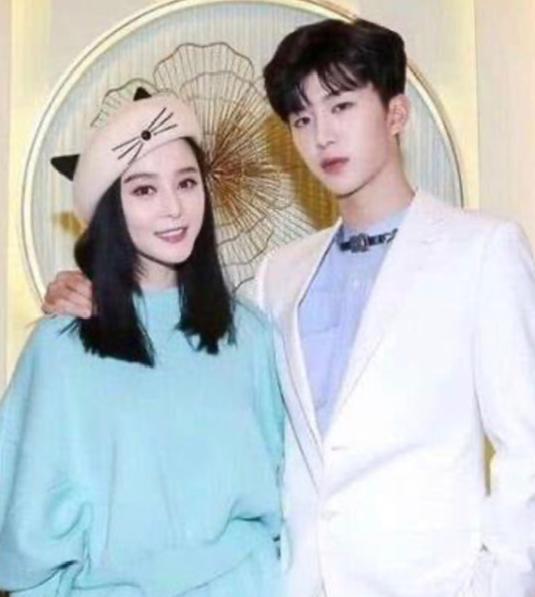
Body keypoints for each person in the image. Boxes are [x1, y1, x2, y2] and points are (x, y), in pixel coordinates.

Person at [42, 17, 535, 597]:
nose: (322, 135)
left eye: (341, 106)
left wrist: (501, 584)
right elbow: (193, 364)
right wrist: (91, 289)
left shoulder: (482, 250)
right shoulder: (279, 273)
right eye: (302, 118)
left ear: (396, 113)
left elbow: (527, 447)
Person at [0, 93, 283, 596]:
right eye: (144, 189)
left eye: (187, 182)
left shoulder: (251, 333)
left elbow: (291, 494)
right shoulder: (60, 348)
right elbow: (25, 531)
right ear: (110, 209)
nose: (173, 208)